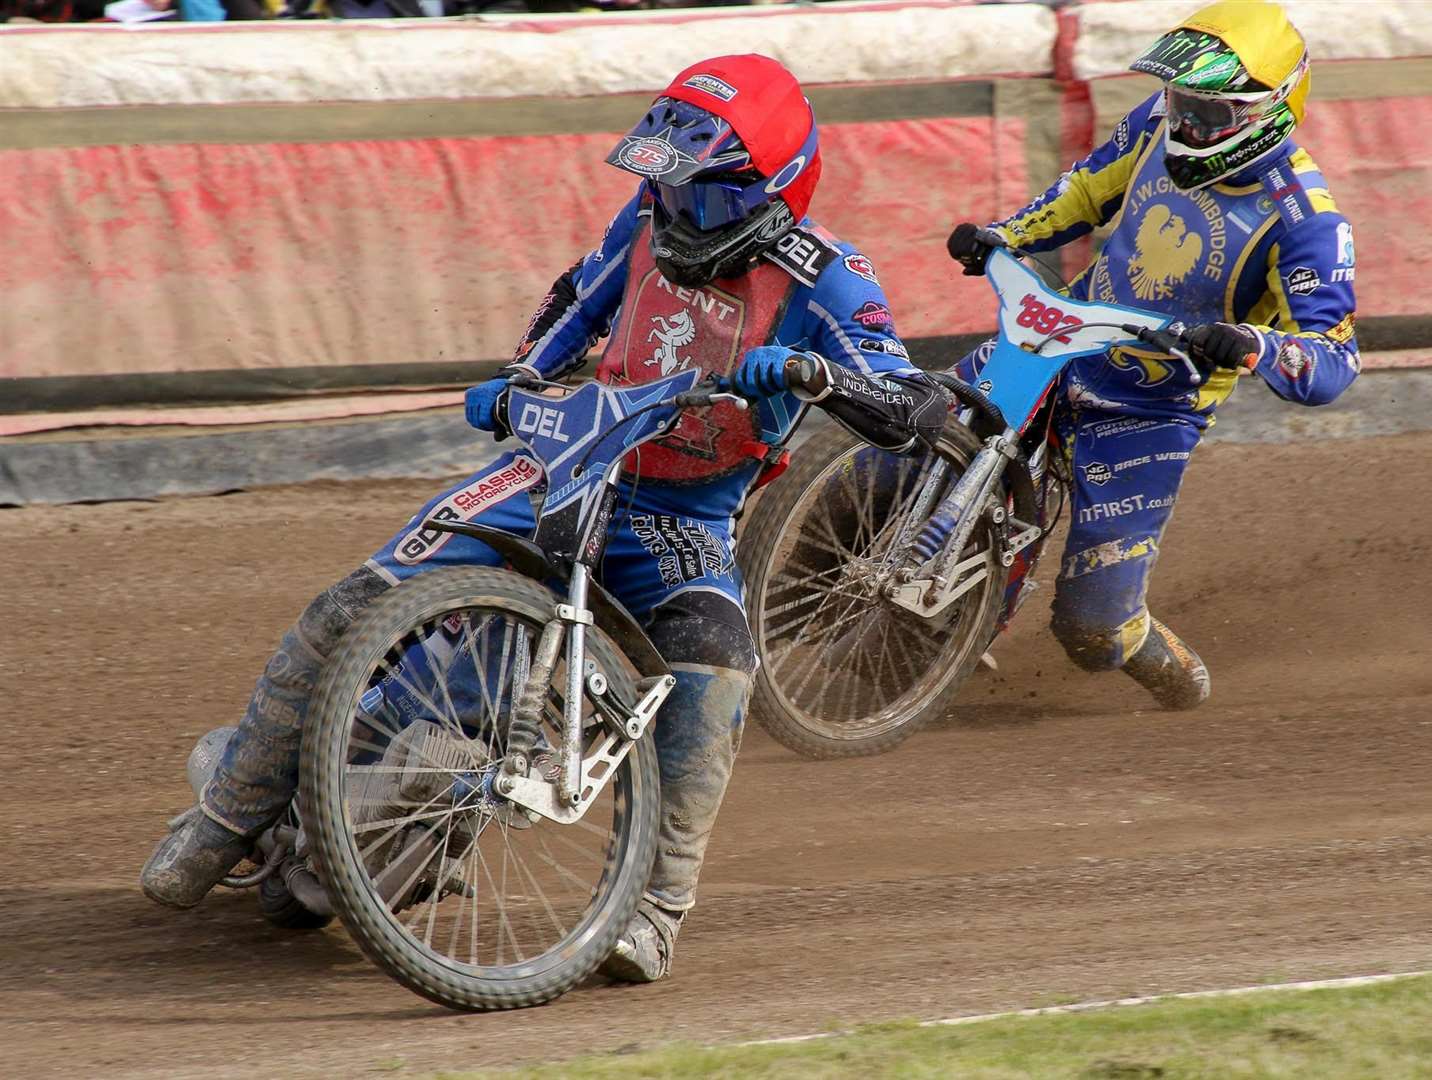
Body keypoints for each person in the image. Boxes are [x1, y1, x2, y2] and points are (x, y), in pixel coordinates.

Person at [142, 53, 946, 985]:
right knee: (346, 606)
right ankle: (226, 812)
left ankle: (657, 907)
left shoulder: (829, 280)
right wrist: (526, 374)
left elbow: (914, 405)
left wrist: (816, 375)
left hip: (680, 518)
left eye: (707, 200)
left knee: (719, 669)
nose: (681, 214)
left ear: (776, 193)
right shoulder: (646, 220)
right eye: (670, 188)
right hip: (560, 461)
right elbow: (578, 297)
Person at [946, 0, 1359, 711]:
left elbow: (1334, 359)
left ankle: (1162, 660)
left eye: (1210, 112)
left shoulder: (1307, 221)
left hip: (1152, 410)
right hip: (1064, 341)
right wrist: (1004, 236)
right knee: (903, 445)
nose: (1187, 124)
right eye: (1181, 101)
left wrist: (1255, 344)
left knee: (1091, 629)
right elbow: (1087, 190)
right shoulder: (1155, 121)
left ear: (1271, 111)